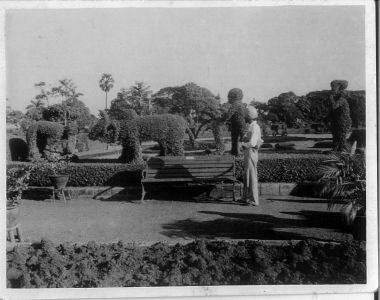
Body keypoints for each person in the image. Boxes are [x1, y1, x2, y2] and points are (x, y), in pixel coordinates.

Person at [241, 106, 263, 206]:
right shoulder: (251, 126)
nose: (244, 118)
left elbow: (253, 143)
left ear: (249, 117)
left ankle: (253, 200)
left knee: (251, 176)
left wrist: (242, 145)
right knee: (247, 176)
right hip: (248, 152)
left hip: (251, 152)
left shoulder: (254, 127)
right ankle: (246, 198)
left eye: (245, 116)